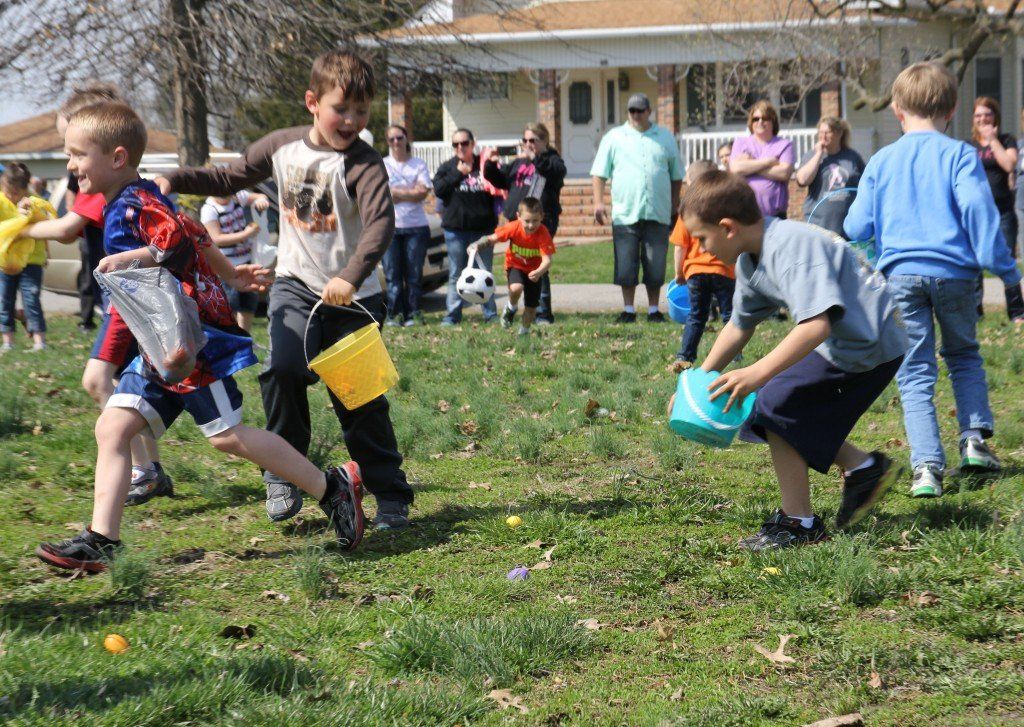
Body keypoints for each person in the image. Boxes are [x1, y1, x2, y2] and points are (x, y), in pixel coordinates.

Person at [34, 102, 365, 572]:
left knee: (227, 437)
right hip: (158, 345)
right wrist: (232, 273)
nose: (70, 165)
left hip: (190, 344)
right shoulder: (135, 195)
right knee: (112, 427)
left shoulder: (133, 203)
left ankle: (332, 488)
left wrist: (131, 260)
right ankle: (101, 541)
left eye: (77, 155)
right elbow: (193, 229)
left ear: (117, 157)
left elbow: (176, 241)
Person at [159, 50, 414, 529]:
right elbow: (225, 177)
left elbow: (381, 223)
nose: (353, 121)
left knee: (357, 397)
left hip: (355, 298)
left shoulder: (362, 163)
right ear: (312, 102)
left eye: (362, 112)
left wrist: (350, 277)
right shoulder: (282, 147)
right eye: (343, 109)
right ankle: (283, 473)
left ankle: (391, 494)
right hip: (295, 287)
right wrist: (173, 178)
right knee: (283, 368)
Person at [677, 170, 906, 550]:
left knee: (776, 405)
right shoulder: (751, 261)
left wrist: (756, 373)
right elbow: (739, 326)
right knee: (784, 409)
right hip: (845, 342)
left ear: (728, 227)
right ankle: (864, 469)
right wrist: (697, 383)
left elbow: (815, 326)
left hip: (871, 343)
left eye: (701, 238)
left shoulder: (790, 248)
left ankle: (800, 523)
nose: (700, 249)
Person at [845, 62, 1019, 498]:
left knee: (915, 372)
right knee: (963, 355)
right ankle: (975, 440)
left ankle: (926, 467)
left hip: (901, 277)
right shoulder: (960, 154)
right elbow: (980, 212)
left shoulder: (883, 160)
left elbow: (855, 225)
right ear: (952, 108)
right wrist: (1006, 269)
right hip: (957, 276)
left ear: (898, 110)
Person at [21, 84, 171, 507]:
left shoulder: (111, 188)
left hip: (127, 305)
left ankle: (145, 468)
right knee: (121, 384)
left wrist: (16, 232)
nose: (70, 160)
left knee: (99, 380)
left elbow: (69, 228)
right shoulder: (104, 182)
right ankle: (150, 467)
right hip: (125, 301)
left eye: (74, 147)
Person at [591, 92, 683, 323]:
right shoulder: (614, 137)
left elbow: (676, 175)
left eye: (640, 110)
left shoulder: (664, 137)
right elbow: (599, 173)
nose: (636, 115)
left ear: (649, 111)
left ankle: (654, 310)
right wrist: (599, 202)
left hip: (658, 211)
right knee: (626, 264)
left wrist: (674, 204)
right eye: (632, 111)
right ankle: (628, 310)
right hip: (625, 212)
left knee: (655, 264)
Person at [483, 121, 566, 324]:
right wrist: (491, 164)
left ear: (544, 140)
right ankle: (517, 306)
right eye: (525, 140)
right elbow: (500, 180)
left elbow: (557, 174)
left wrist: (536, 158)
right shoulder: (519, 162)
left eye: (533, 140)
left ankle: (543, 313)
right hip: (518, 221)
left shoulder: (553, 160)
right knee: (520, 263)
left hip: (541, 222)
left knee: (539, 264)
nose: (528, 144)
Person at [667, 160, 734, 373]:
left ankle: (684, 356)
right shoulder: (723, 209)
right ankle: (735, 352)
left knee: (696, 315)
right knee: (730, 315)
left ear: (690, 183)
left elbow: (680, 247)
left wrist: (679, 273)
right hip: (723, 269)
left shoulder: (687, 210)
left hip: (695, 272)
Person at [432, 128, 498, 326]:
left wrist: (494, 165)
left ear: (472, 143)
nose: (460, 147)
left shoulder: (484, 164)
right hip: (455, 231)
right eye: (455, 144)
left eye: (464, 143)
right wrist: (458, 173)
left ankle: (490, 314)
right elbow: (439, 190)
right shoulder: (447, 167)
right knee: (456, 274)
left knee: (484, 272)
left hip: (483, 230)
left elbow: (500, 182)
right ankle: (452, 316)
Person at [967, 96, 1024, 321]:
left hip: (1003, 213)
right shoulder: (968, 145)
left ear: (995, 116)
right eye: (978, 114)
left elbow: (1009, 164)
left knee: (1007, 261)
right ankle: (975, 313)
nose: (982, 118)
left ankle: (1017, 313)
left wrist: (992, 140)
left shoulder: (1007, 140)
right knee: (974, 264)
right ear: (973, 118)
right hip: (977, 214)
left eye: (987, 114)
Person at [472, 196, 554, 336]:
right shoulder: (513, 227)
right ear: (518, 216)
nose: (531, 225)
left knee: (531, 307)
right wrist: (477, 245)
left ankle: (524, 332)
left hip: (535, 271)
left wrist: (539, 271)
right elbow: (493, 238)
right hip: (515, 265)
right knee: (516, 288)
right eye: (527, 221)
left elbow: (548, 260)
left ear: (542, 217)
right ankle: (511, 308)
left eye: (535, 221)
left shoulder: (543, 233)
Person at [200, 189, 271, 331]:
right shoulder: (209, 209)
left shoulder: (237, 196)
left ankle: (245, 335)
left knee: (248, 303)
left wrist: (261, 200)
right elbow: (217, 238)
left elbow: (260, 197)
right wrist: (246, 234)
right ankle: (234, 336)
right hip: (226, 266)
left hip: (247, 260)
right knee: (230, 304)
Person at [382, 123, 432, 327]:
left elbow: (423, 192)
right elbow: (381, 193)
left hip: (416, 227)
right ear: (387, 142)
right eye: (391, 139)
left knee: (413, 275)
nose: (396, 142)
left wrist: (396, 192)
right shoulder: (382, 164)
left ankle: (414, 314)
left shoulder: (418, 164)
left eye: (399, 138)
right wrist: (409, 192)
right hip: (389, 228)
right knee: (392, 275)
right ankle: (395, 314)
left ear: (406, 139)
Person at [0, 163, 49, 352]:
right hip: (7, 261)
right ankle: (8, 341)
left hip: (32, 259)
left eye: (15, 193)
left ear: (25, 188)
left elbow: (47, 225)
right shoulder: (1, 201)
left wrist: (32, 213)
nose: (11, 197)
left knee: (32, 298)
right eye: (7, 192)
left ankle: (39, 341)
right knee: (5, 301)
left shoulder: (35, 201)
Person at [795, 116, 865, 238]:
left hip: (846, 228)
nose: (823, 136)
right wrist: (818, 154)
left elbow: (864, 186)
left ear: (839, 134)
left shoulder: (853, 158)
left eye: (827, 132)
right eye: (821, 132)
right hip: (818, 226)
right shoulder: (811, 156)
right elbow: (802, 180)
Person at [729, 101, 794, 218]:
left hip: (776, 215)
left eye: (765, 118)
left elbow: (784, 173)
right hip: (746, 215)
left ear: (773, 121)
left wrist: (749, 166)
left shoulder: (784, 144)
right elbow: (735, 169)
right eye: (756, 119)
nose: (760, 122)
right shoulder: (741, 142)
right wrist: (768, 162)